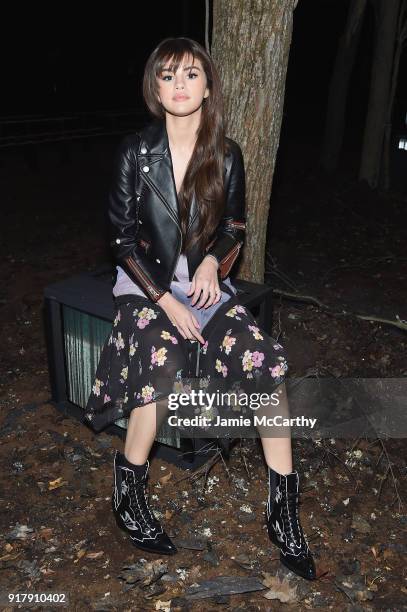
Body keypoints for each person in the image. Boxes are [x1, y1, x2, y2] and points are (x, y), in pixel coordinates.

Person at [84, 37, 316, 581]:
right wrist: (164, 299)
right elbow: (120, 243)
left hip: (205, 290)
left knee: (268, 368)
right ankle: (129, 492)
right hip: (144, 288)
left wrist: (215, 264)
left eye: (191, 74)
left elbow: (233, 227)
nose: (180, 85)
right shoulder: (134, 153)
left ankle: (283, 511)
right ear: (154, 87)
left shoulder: (226, 153)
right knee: (159, 367)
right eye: (168, 76)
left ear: (208, 87)